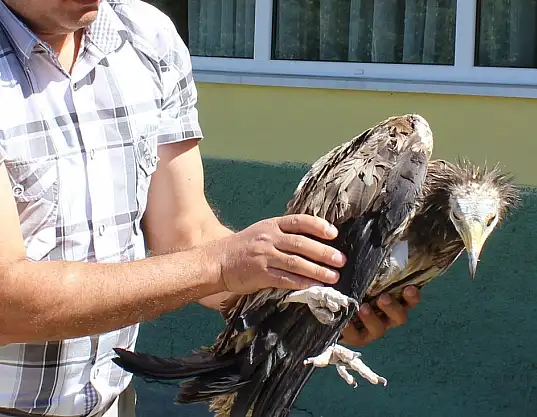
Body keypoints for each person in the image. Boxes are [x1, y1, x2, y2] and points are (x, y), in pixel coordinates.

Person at [0, 0, 423, 416]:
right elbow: (6, 304)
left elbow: (187, 235)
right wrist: (224, 264)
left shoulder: (145, 36)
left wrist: (304, 302)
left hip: (112, 404)